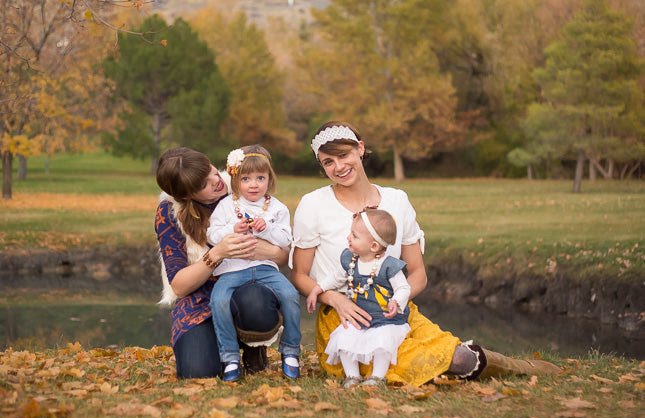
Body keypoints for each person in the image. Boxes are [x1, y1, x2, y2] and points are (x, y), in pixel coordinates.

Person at [291, 120, 562, 386]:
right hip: (346, 322)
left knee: (459, 357)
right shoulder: (313, 205)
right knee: (433, 363)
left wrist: (395, 302)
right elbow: (300, 276)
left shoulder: (397, 200)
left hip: (395, 313)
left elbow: (418, 274)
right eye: (328, 162)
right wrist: (335, 299)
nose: (338, 166)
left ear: (360, 149)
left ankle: (522, 367)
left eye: (343, 155)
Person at [155, 147, 289, 380]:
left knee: (256, 303)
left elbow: (285, 255)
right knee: (198, 373)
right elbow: (179, 286)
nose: (216, 181)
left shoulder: (242, 185)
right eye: (204, 185)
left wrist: (266, 251)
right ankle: (220, 348)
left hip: (247, 284)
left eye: (211, 171)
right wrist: (217, 254)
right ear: (186, 196)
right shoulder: (169, 213)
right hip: (200, 298)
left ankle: (253, 345)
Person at [206, 145, 301, 381]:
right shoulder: (227, 205)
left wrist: (266, 229)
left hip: (266, 269)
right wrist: (232, 229)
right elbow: (212, 235)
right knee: (218, 300)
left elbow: (285, 240)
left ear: (270, 179)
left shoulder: (277, 208)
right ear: (236, 181)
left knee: (290, 295)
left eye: (260, 178)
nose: (254, 184)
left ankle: (290, 350)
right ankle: (230, 356)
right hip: (232, 270)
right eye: (246, 179)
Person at [307, 208, 411, 387]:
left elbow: (403, 287)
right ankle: (352, 376)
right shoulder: (351, 260)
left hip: (385, 319)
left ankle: (377, 377)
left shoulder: (388, 266)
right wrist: (318, 289)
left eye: (354, 236)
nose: (348, 237)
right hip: (359, 317)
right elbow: (335, 278)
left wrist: (396, 301)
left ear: (374, 246)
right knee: (344, 338)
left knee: (382, 342)